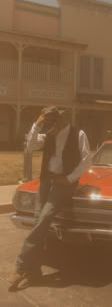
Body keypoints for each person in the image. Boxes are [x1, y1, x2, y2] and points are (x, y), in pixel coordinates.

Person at [7, 106, 92, 289]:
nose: (48, 129)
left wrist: (69, 179)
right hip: (46, 181)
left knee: (44, 218)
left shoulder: (78, 134)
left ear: (60, 121)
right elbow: (29, 146)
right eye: (46, 124)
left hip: (64, 183)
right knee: (39, 222)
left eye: (50, 124)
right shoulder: (49, 133)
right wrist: (36, 125)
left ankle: (21, 266)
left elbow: (87, 159)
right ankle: (34, 273)